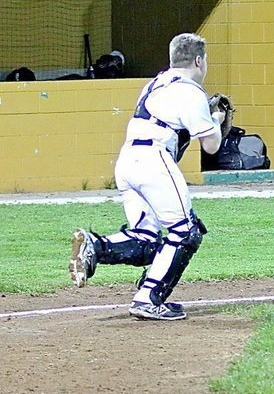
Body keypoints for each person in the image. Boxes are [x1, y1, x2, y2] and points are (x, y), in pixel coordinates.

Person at [68, 33, 226, 321]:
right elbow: (212, 146)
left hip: (128, 161)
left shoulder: (154, 83)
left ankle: (96, 245)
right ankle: (149, 299)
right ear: (199, 60)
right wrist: (216, 119)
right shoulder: (191, 92)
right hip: (153, 160)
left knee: (146, 239)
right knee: (185, 233)